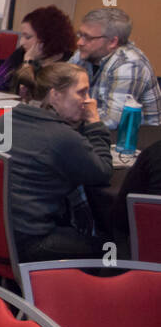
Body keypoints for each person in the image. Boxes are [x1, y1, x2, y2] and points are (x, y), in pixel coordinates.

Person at [6, 63, 113, 261]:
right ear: (55, 96)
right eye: (82, 93)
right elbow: (103, 172)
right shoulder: (61, 137)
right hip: (30, 242)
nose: (88, 101)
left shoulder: (6, 119)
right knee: (112, 247)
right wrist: (95, 123)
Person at [69, 7, 161, 130]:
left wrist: (69, 112)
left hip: (134, 141)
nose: (80, 42)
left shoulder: (128, 64)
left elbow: (112, 122)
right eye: (80, 34)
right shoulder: (84, 54)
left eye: (88, 37)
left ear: (112, 42)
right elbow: (56, 88)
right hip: (93, 131)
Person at [0, 5, 76, 92]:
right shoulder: (21, 53)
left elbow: (26, 92)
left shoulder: (67, 62)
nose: (22, 42)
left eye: (28, 37)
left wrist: (28, 62)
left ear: (46, 38)